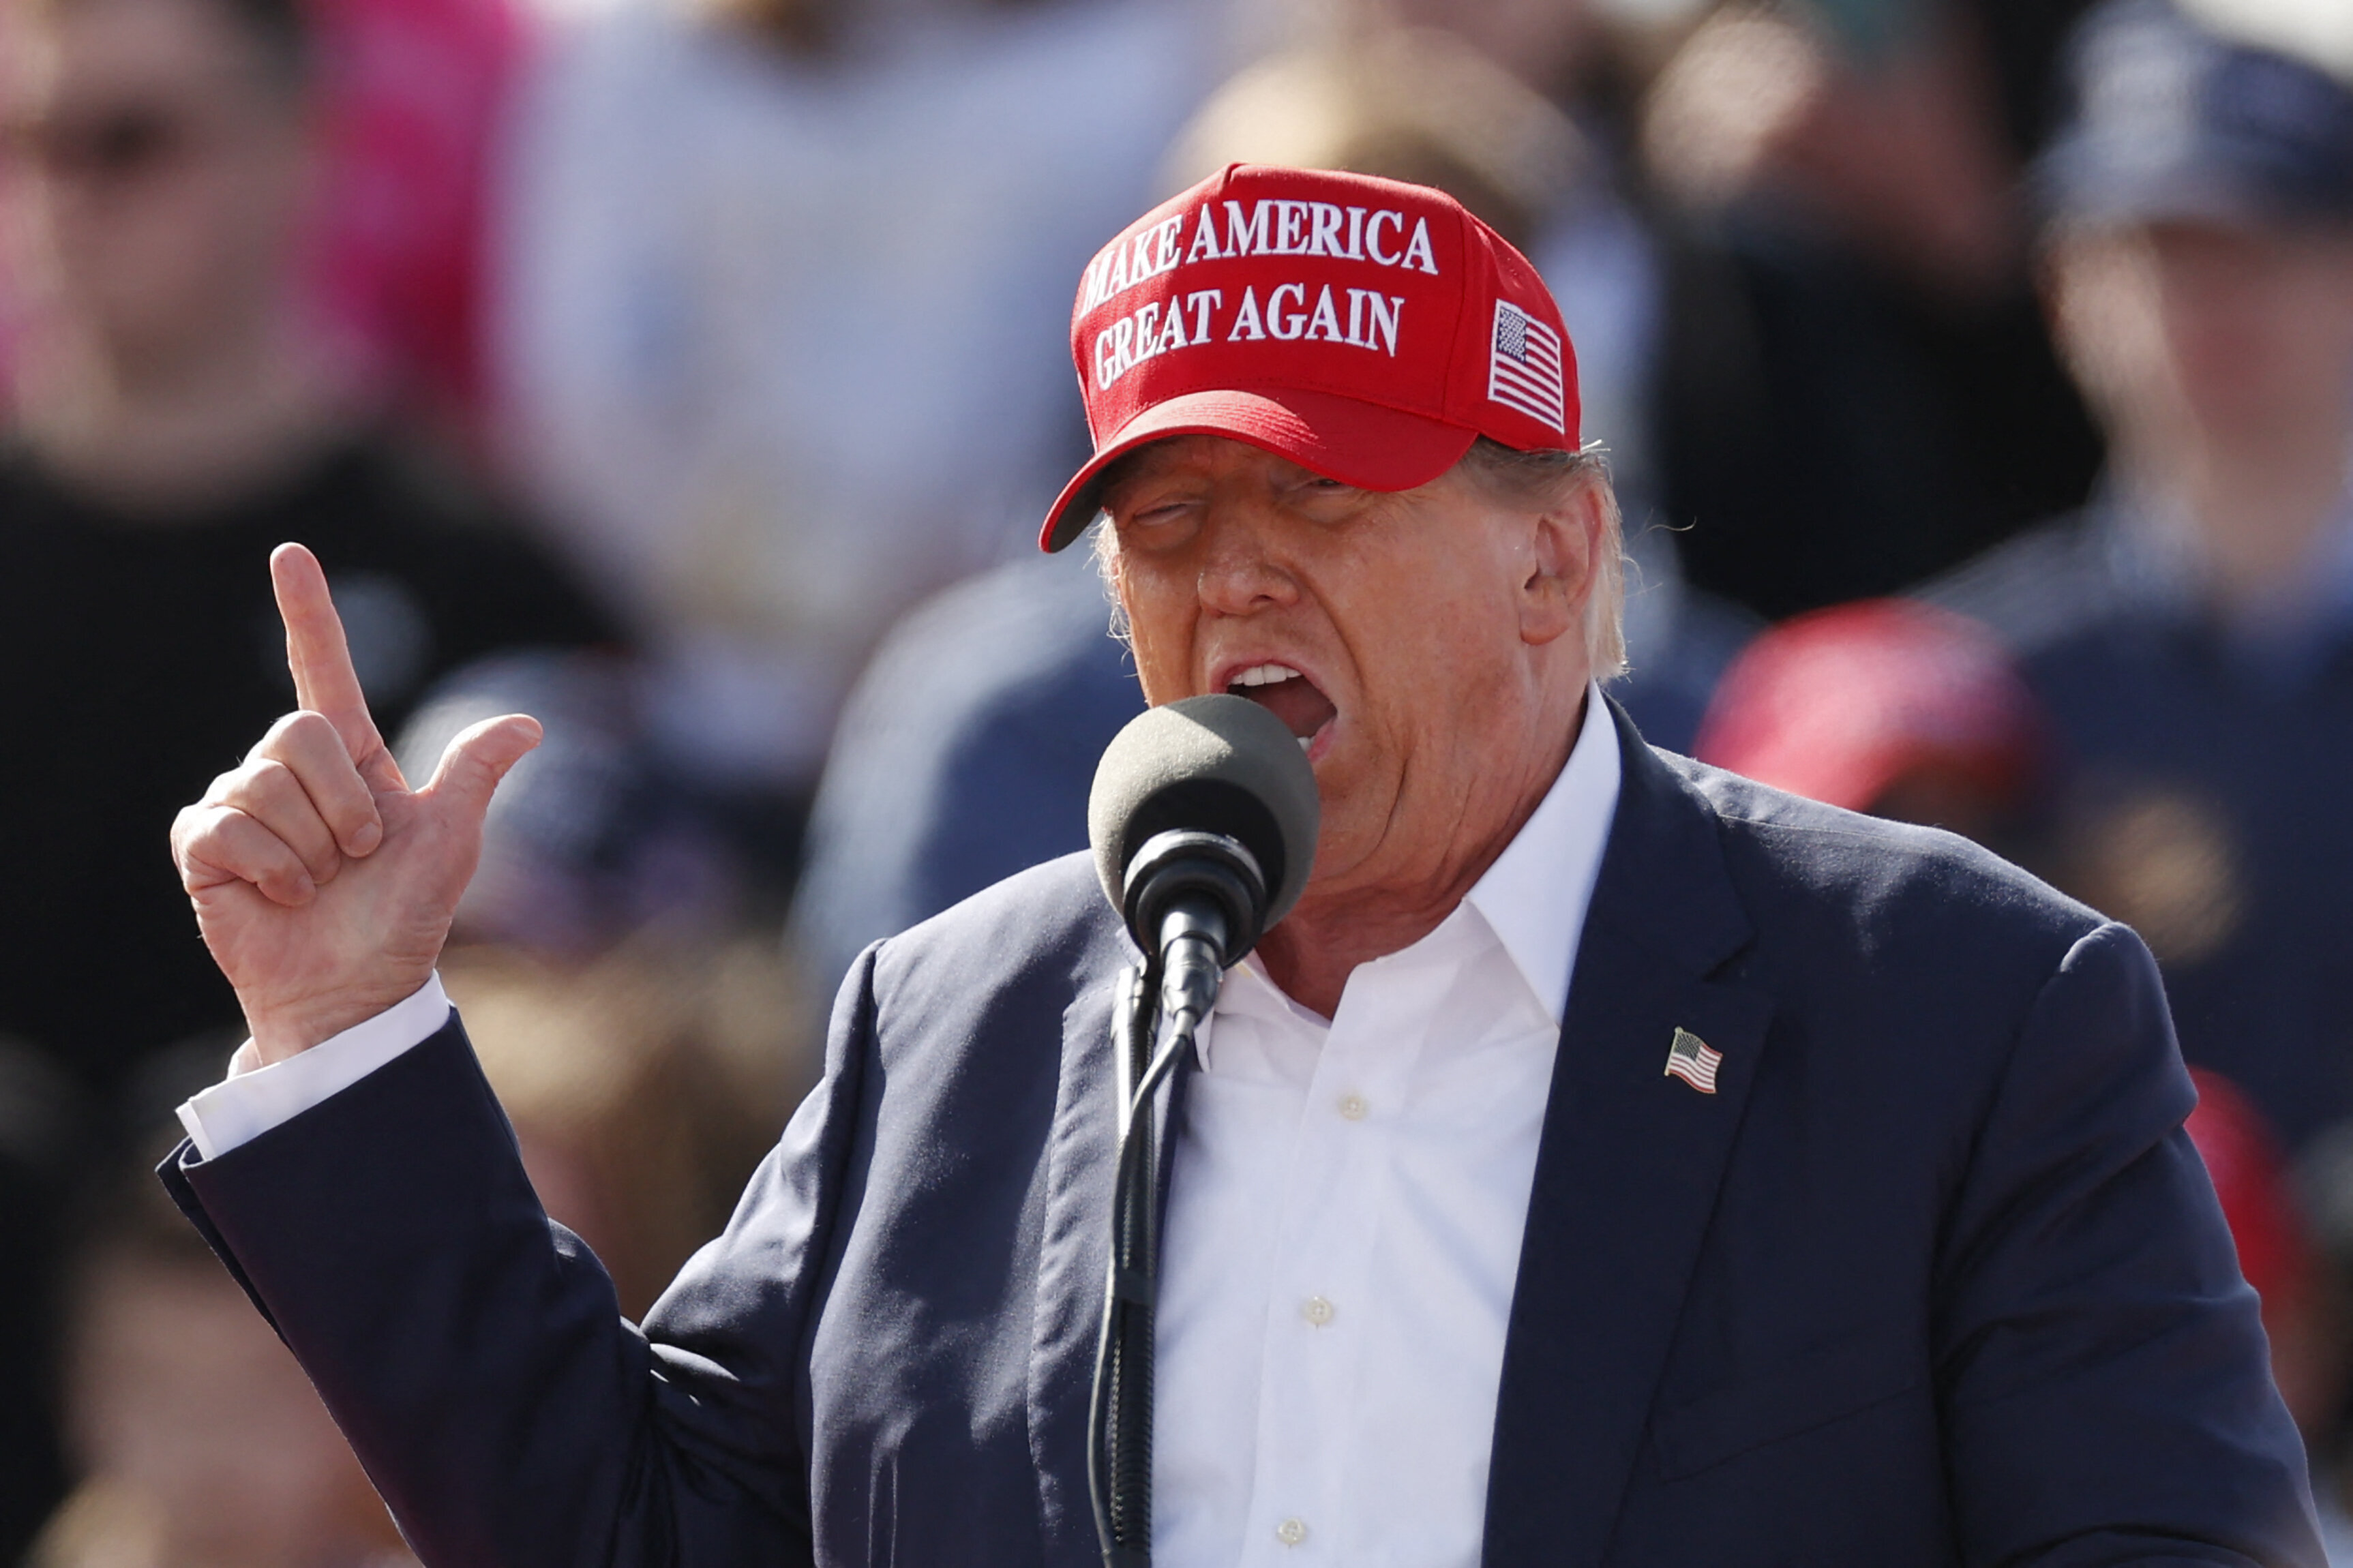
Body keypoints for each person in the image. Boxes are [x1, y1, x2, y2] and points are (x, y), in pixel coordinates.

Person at [158, 166, 2315, 1564]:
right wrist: (350, 1029)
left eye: (1329, 506)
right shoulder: (959, 1023)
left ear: (1555, 557)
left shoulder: (1954, 1010)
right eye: (1169, 527)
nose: (1236, 588)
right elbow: (636, 1533)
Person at [1925, 0, 2353, 1154]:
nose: (2212, 300)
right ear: (2066, 293)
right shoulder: (1962, 689)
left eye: (2266, 236)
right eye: (2156, 247)